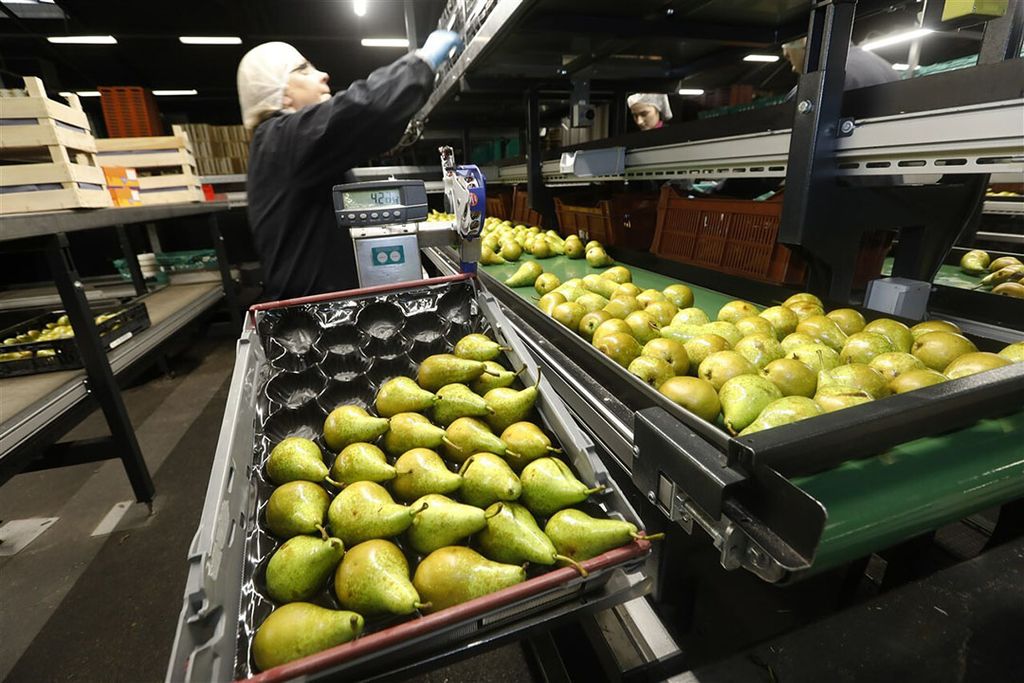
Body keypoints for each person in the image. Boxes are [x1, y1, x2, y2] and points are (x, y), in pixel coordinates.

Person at [237, 31, 462, 300]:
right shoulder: (282, 140)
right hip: (310, 321)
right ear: (280, 93)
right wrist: (421, 63)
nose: (322, 75)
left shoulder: (283, 146)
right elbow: (366, 108)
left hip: (316, 312)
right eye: (304, 70)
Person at [781, 37, 900, 94]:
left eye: (788, 56)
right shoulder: (886, 67)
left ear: (804, 41)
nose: (793, 68)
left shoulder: (827, 77)